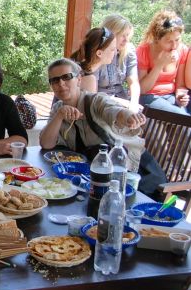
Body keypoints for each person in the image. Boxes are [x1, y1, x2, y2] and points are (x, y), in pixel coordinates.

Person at [40, 58, 166, 199]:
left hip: (131, 171)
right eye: (55, 80)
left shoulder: (95, 101)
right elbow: (46, 144)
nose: (61, 84)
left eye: (67, 77)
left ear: (79, 79)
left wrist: (129, 117)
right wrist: (59, 116)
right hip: (97, 176)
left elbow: (113, 110)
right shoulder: (58, 109)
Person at [136, 10, 189, 115]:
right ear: (157, 38)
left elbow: (180, 85)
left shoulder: (182, 50)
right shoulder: (144, 50)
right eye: (169, 41)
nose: (174, 46)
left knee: (184, 121)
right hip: (148, 96)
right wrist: (159, 65)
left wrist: (180, 96)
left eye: (177, 40)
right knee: (183, 118)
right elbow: (142, 89)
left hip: (170, 96)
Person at [97, 14, 141, 110]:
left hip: (121, 97)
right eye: (122, 35)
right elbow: (90, 92)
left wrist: (134, 103)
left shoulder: (129, 50)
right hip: (100, 101)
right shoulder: (97, 52)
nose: (126, 40)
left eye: (127, 35)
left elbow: (133, 81)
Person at [70, 27, 118, 93]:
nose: (115, 52)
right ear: (99, 53)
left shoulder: (74, 68)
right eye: (112, 49)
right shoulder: (88, 79)